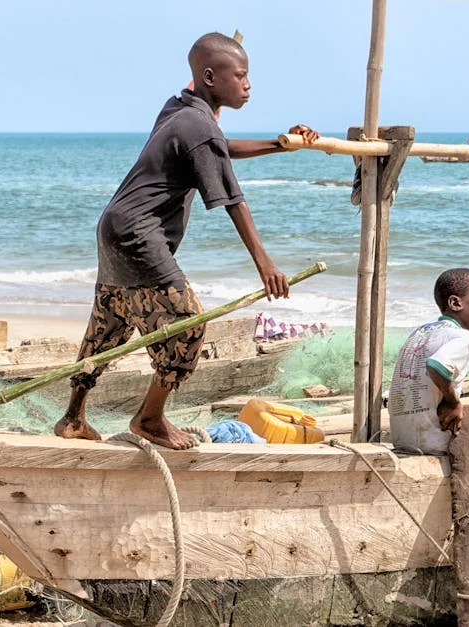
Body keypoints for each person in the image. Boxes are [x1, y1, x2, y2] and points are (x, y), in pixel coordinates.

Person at [54, 32, 319, 450]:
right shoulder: (199, 123)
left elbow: (218, 149)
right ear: (211, 77)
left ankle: (73, 417)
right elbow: (233, 197)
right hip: (140, 236)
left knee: (108, 326)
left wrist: (279, 144)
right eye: (241, 76)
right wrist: (264, 263)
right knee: (189, 328)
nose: (248, 85)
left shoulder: (179, 109)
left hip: (114, 229)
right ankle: (150, 419)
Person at [388, 268, 469, 455]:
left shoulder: (420, 332)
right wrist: (452, 401)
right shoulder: (463, 337)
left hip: (401, 441)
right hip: (435, 444)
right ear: (455, 303)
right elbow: (437, 365)